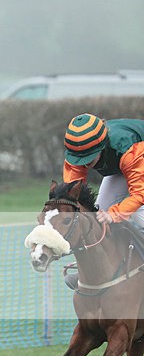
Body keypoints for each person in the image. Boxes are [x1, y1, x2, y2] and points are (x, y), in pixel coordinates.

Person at [61, 113, 144, 289]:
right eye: (79, 159)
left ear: (102, 146)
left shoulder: (127, 147)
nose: (83, 164)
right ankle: (91, 273)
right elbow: (73, 193)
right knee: (97, 215)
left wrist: (114, 214)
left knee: (138, 217)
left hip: (138, 160)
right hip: (124, 167)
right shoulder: (77, 150)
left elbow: (139, 193)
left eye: (88, 158)